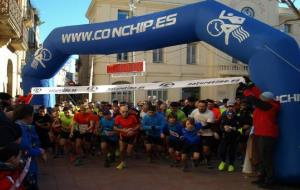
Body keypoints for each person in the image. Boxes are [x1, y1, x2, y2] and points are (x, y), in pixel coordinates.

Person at [244, 84, 280, 188]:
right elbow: (259, 95)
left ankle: (270, 180)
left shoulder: (270, 106)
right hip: (260, 133)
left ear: (268, 99)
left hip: (267, 134)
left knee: (266, 158)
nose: (260, 98)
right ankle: (262, 177)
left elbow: (252, 99)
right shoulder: (266, 103)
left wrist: (246, 90)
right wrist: (251, 85)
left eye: (263, 98)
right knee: (262, 157)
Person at [14, 104, 47, 190]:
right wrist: (40, 151)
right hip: (25, 168)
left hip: (27, 166)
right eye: (33, 114)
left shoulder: (23, 126)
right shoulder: (20, 128)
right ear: (28, 116)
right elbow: (26, 150)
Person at [113, 105, 140, 170]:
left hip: (132, 136)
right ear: (120, 111)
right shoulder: (117, 117)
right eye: (123, 112)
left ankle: (133, 151)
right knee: (121, 150)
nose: (125, 113)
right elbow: (114, 127)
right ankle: (122, 163)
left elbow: (138, 125)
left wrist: (132, 130)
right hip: (122, 135)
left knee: (128, 153)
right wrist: (122, 130)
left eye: (126, 111)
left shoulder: (133, 117)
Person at [189, 100, 215, 166]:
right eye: (199, 106)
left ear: (206, 106)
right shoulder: (194, 111)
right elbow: (190, 120)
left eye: (203, 106)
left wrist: (199, 129)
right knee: (196, 148)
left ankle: (208, 160)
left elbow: (209, 125)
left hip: (207, 134)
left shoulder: (210, 113)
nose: (201, 108)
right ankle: (196, 159)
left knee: (206, 150)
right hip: (196, 133)